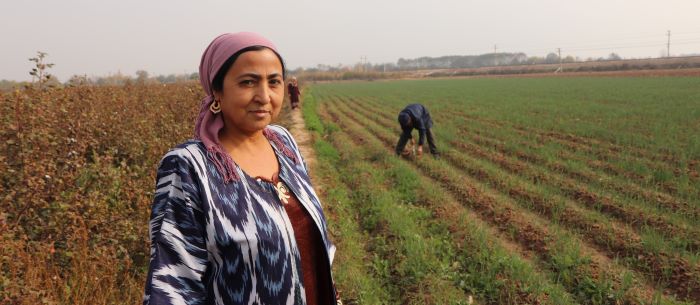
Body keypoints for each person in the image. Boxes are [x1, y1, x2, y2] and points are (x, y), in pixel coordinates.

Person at [143, 32, 338, 305]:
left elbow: (310, 245)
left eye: (274, 82)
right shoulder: (189, 166)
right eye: (248, 82)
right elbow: (174, 284)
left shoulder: (284, 143)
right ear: (217, 92)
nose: (264, 96)